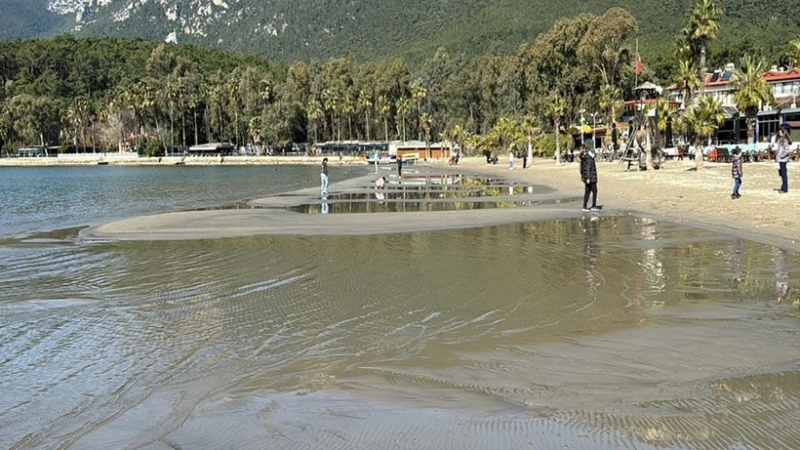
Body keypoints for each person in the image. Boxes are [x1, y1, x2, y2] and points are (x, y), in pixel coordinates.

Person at [579, 145, 599, 212]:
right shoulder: (590, 159)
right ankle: (593, 206)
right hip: (591, 178)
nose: (595, 156)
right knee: (595, 191)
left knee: (587, 192)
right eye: (595, 154)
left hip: (589, 178)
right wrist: (588, 178)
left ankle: (584, 206)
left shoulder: (587, 158)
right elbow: (588, 169)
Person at [776, 124, 791, 193]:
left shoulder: (785, 140)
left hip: (783, 159)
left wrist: (781, 156)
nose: (779, 133)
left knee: (784, 174)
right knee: (782, 173)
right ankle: (783, 187)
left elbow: (786, 150)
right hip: (780, 159)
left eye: (780, 132)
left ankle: (785, 189)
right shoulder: (780, 140)